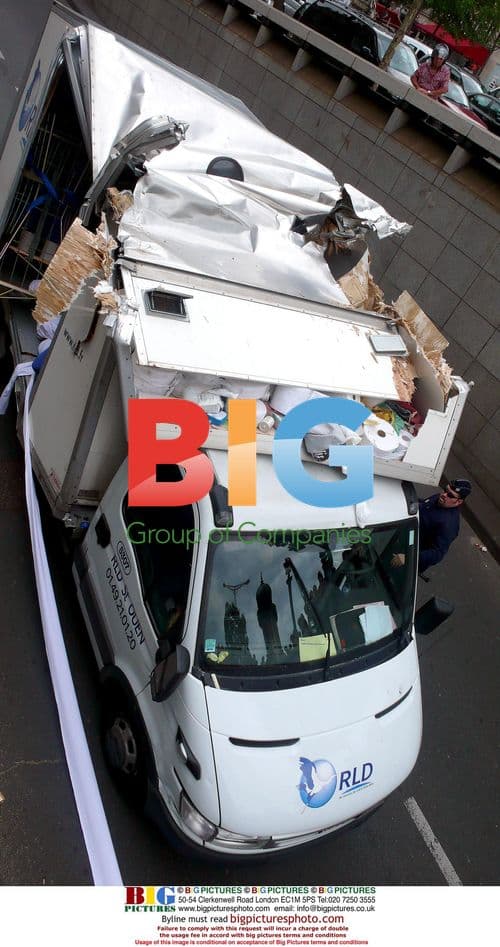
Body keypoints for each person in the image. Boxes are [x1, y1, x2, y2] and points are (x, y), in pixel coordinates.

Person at [391, 479, 471, 573]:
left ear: (459, 502)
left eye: (450, 495)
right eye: (445, 490)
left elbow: (437, 554)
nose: (444, 495)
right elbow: (423, 505)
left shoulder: (449, 525)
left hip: (408, 558)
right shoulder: (439, 499)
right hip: (402, 539)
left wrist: (408, 557)